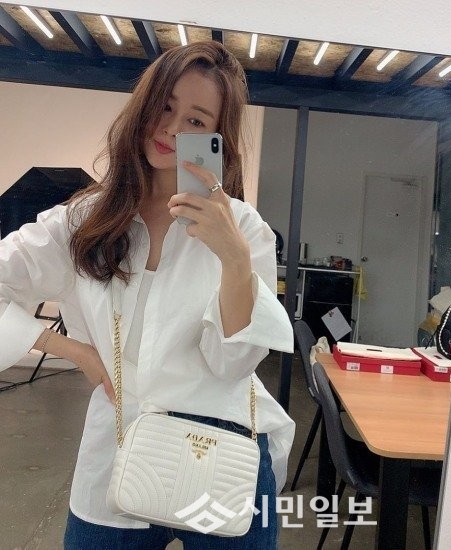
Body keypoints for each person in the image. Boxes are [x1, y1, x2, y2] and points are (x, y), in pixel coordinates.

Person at [0, 41, 295, 549]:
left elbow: (232, 363)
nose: (172, 128)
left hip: (222, 453)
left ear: (217, 139)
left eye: (196, 120)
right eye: (164, 106)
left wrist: (234, 259)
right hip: (115, 450)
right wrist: (70, 350)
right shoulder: (84, 222)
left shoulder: (244, 229)